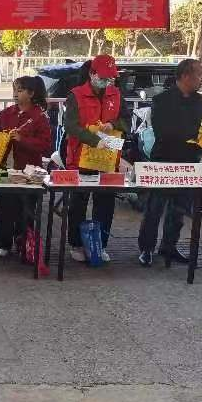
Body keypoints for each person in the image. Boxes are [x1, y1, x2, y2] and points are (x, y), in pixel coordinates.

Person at [137, 59, 202, 266]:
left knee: (179, 210)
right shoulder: (161, 100)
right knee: (154, 209)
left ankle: (169, 246)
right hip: (163, 161)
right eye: (199, 74)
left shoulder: (201, 102)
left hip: (189, 163)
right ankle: (146, 248)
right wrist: (193, 136)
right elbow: (163, 132)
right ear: (185, 76)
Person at [64, 54, 130, 262]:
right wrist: (93, 140)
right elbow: (70, 126)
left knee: (105, 203)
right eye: (103, 77)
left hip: (108, 157)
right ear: (92, 74)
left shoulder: (116, 94)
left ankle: (100, 245)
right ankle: (76, 244)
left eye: (110, 78)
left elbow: (127, 120)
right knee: (78, 203)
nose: (107, 81)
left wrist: (113, 125)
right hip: (81, 157)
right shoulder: (76, 95)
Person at [0, 76, 52, 257]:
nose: (15, 94)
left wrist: (22, 139)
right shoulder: (7, 113)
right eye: (14, 90)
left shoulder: (39, 117)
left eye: (20, 90)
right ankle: (3, 243)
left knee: (26, 211)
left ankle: (24, 243)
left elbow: (46, 146)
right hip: (5, 170)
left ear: (31, 93)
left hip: (29, 173)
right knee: (4, 208)